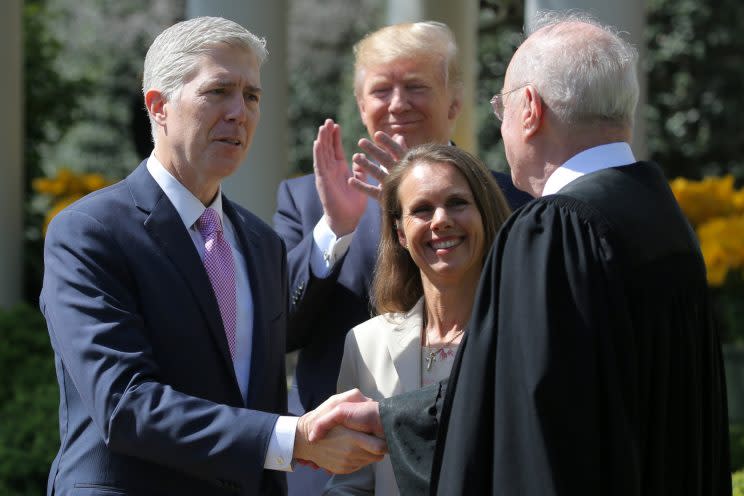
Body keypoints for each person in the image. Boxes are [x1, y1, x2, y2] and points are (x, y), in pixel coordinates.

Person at [311, 11, 731, 496]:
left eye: (501, 105)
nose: (502, 124)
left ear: (529, 109)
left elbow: (520, 407)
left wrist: (390, 419)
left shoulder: (555, 228)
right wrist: (392, 417)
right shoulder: (661, 213)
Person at [40, 16, 385, 496]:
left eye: (251, 96)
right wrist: (294, 437)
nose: (238, 113)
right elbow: (125, 405)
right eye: (218, 91)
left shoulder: (261, 245)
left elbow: (256, 403)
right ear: (158, 106)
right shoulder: (89, 232)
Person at [274, 20, 530, 415]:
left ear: (454, 104)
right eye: (381, 91)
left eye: (416, 87)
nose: (397, 104)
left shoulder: (509, 196)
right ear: (361, 105)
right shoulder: (307, 199)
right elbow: (278, 329)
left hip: (467, 433)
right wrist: (334, 230)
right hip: (333, 450)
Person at [324, 144, 510, 495]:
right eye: (422, 209)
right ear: (400, 234)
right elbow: (351, 484)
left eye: (457, 203)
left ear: (484, 214)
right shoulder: (366, 345)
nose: (441, 220)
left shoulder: (521, 338)